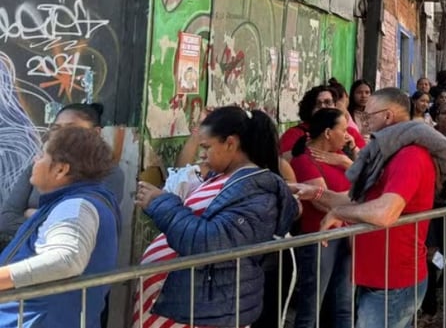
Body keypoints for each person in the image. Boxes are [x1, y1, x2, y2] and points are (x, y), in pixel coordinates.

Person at [133, 107, 298, 328]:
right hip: (191, 305)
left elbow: (213, 242)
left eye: (207, 148)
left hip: (206, 310)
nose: (203, 155)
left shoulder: (257, 190)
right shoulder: (227, 179)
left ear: (230, 143)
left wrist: (161, 205)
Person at [311, 88, 446, 328]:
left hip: (394, 281)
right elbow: (361, 201)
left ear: (388, 117)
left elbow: (384, 212)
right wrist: (316, 193)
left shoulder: (410, 156)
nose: (364, 121)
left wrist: (338, 212)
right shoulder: (389, 153)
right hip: (378, 277)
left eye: (369, 115)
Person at [0, 126, 119, 328]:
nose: (35, 161)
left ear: (60, 169)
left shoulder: (76, 206)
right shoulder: (79, 201)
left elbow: (67, 259)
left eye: (43, 155)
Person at [0, 103, 124, 243]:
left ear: (95, 133)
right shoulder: (38, 167)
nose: (61, 135)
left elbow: (80, 228)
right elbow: (6, 221)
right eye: (56, 128)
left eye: (71, 129)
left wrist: (33, 213)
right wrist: (51, 221)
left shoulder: (108, 173)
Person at [289, 108, 354, 328]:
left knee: (344, 305)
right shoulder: (304, 161)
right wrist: (355, 197)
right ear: (327, 132)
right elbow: (323, 200)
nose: (347, 135)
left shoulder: (340, 159)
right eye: (343, 130)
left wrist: (347, 163)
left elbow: (368, 187)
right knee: (312, 307)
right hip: (320, 239)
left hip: (347, 235)